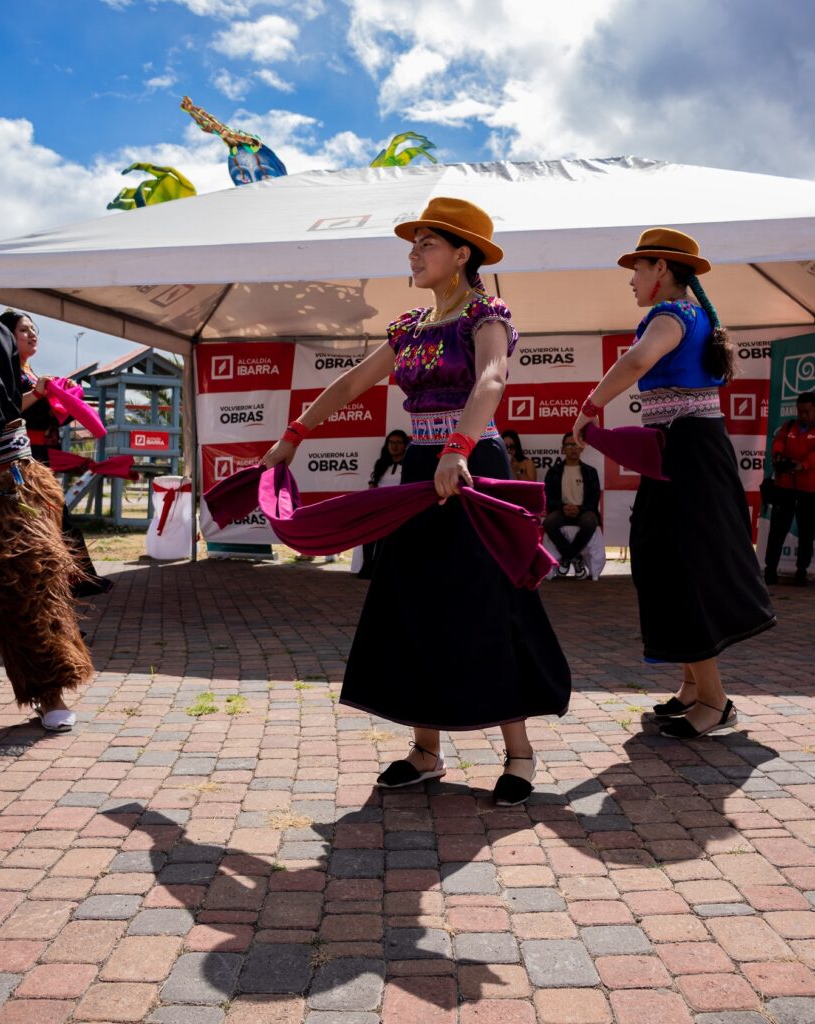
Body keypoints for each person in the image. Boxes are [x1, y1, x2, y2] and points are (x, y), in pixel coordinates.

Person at [263, 198, 571, 805]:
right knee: (413, 603)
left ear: (462, 254)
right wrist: (294, 434)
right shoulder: (409, 326)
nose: (413, 253)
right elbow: (353, 381)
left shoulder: (485, 314)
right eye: (413, 243)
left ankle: (519, 753)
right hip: (424, 469)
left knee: (488, 603)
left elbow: (491, 379)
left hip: (472, 466)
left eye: (426, 243)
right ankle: (426, 751)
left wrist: (459, 445)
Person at [572, 228, 775, 740]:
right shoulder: (693, 314)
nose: (631, 281)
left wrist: (590, 407)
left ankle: (715, 701)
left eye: (637, 270)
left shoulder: (672, 315)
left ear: (660, 268)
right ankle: (691, 685)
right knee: (663, 559)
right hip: (685, 452)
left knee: (683, 567)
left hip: (688, 454)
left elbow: (636, 361)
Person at [0, 289, 93, 732]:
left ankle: (50, 692)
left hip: (5, 475)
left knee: (28, 581)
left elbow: (9, 401)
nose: (32, 334)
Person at [0, 309, 111, 598]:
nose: (32, 334)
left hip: (39, 455)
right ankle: (67, 581)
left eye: (33, 329)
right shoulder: (2, 370)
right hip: (17, 457)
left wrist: (66, 396)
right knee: (40, 518)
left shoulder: (30, 372)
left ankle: (73, 579)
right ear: (7, 336)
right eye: (24, 330)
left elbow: (49, 418)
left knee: (54, 515)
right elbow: (6, 410)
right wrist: (39, 393)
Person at [763, 392, 815, 587]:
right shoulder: (789, 426)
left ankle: (801, 572)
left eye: (807, 412)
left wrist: (803, 465)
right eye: (800, 411)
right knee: (777, 531)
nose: (803, 415)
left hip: (809, 490)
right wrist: (778, 456)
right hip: (784, 487)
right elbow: (778, 442)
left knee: (806, 532)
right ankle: (770, 569)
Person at [543, 432, 601, 578]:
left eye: (575, 444)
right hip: (561, 511)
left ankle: (567, 557)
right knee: (549, 522)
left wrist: (580, 509)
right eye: (569, 445)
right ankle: (574, 556)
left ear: (581, 447)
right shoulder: (554, 472)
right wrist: (562, 507)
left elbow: (594, 499)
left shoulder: (590, 472)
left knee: (590, 521)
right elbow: (548, 498)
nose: (573, 448)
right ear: (563, 449)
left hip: (583, 512)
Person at [355, 429, 408, 579]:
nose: (394, 446)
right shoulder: (381, 464)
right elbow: (372, 485)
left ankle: (379, 568)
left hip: (399, 508)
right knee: (367, 529)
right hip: (379, 506)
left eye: (398, 443)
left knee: (385, 533)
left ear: (405, 445)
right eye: (391, 442)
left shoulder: (409, 465)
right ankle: (367, 565)